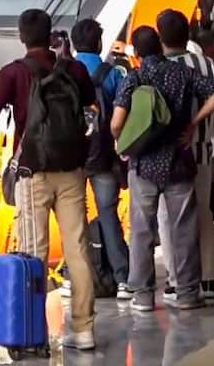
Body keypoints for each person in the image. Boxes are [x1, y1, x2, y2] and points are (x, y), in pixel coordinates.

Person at [0, 8, 98, 350]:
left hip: (33, 174)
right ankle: (85, 329)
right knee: (78, 250)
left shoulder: (13, 73)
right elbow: (92, 111)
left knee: (34, 254)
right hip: (72, 172)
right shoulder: (74, 69)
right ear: (52, 35)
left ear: (21, 37)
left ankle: (33, 333)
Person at [110, 26, 214, 312]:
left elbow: (116, 124)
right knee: (184, 229)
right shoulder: (183, 73)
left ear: (137, 53)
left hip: (144, 165)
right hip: (179, 161)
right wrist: (194, 123)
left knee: (142, 232)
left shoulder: (134, 78)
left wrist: (123, 141)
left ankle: (143, 296)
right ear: (160, 46)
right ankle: (188, 293)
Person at [155, 9, 214, 304]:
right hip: (203, 152)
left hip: (171, 157)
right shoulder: (207, 64)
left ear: (161, 38)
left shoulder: (160, 69)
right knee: (204, 212)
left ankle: (176, 281)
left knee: (169, 217)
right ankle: (209, 280)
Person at [61, 18, 131, 302]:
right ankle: (123, 279)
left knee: (73, 218)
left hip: (72, 158)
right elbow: (122, 112)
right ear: (100, 43)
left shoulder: (64, 72)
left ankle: (71, 277)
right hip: (103, 157)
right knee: (109, 215)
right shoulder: (112, 73)